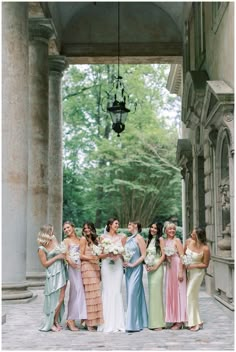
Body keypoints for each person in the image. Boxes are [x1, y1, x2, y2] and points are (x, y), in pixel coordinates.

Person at [97, 217, 126, 332]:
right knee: (107, 291)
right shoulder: (102, 237)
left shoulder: (122, 237)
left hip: (118, 266)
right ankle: (106, 323)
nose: (117, 225)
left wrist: (118, 255)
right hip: (106, 266)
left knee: (117, 291)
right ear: (109, 225)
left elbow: (124, 253)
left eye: (118, 224)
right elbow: (99, 255)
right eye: (115, 223)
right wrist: (108, 254)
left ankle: (118, 323)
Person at [37, 224, 68, 332]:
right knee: (53, 299)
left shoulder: (54, 239)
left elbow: (60, 250)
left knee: (61, 297)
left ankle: (55, 320)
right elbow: (45, 264)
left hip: (61, 271)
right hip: (52, 274)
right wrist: (57, 257)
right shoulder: (41, 248)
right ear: (47, 232)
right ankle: (50, 323)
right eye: (52, 231)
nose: (53, 233)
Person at [183, 227, 210, 332]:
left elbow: (205, 264)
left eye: (193, 234)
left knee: (189, 294)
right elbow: (183, 255)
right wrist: (184, 264)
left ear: (199, 236)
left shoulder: (205, 249)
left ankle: (194, 323)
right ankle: (198, 320)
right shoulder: (188, 242)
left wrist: (193, 266)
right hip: (188, 272)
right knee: (192, 297)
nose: (191, 235)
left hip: (197, 273)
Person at [123, 221, 148, 332]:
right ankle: (139, 320)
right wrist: (125, 261)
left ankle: (132, 324)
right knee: (131, 294)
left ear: (136, 226)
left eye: (130, 225)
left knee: (133, 293)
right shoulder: (128, 239)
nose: (128, 227)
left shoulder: (139, 238)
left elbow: (143, 255)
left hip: (136, 268)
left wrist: (133, 264)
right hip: (128, 269)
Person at [63, 221, 87, 331]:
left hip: (81, 268)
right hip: (73, 268)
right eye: (65, 229)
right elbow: (66, 255)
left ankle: (82, 316)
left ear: (73, 227)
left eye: (68, 227)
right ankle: (70, 319)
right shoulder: (66, 240)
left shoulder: (80, 239)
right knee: (75, 291)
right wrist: (72, 263)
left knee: (82, 291)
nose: (66, 230)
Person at [80, 222, 104, 331]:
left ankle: (94, 321)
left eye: (88, 228)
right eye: (85, 228)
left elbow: (101, 254)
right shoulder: (83, 239)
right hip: (87, 267)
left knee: (95, 294)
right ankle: (89, 323)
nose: (86, 230)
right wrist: (91, 258)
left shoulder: (96, 240)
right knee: (90, 294)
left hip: (95, 267)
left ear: (92, 228)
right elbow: (80, 255)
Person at [164, 222, 187, 329]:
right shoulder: (165, 241)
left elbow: (182, 256)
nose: (172, 231)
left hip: (177, 266)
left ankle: (180, 321)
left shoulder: (177, 241)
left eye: (173, 229)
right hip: (169, 268)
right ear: (166, 230)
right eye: (170, 229)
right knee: (172, 293)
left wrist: (181, 271)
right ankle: (173, 318)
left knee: (179, 293)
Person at [145, 222, 166, 331]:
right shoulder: (149, 240)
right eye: (151, 227)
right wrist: (147, 265)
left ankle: (158, 323)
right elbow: (147, 255)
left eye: (155, 228)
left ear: (159, 230)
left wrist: (156, 266)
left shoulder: (161, 240)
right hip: (150, 270)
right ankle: (153, 322)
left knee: (157, 294)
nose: (152, 229)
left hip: (158, 269)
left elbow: (163, 255)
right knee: (152, 295)